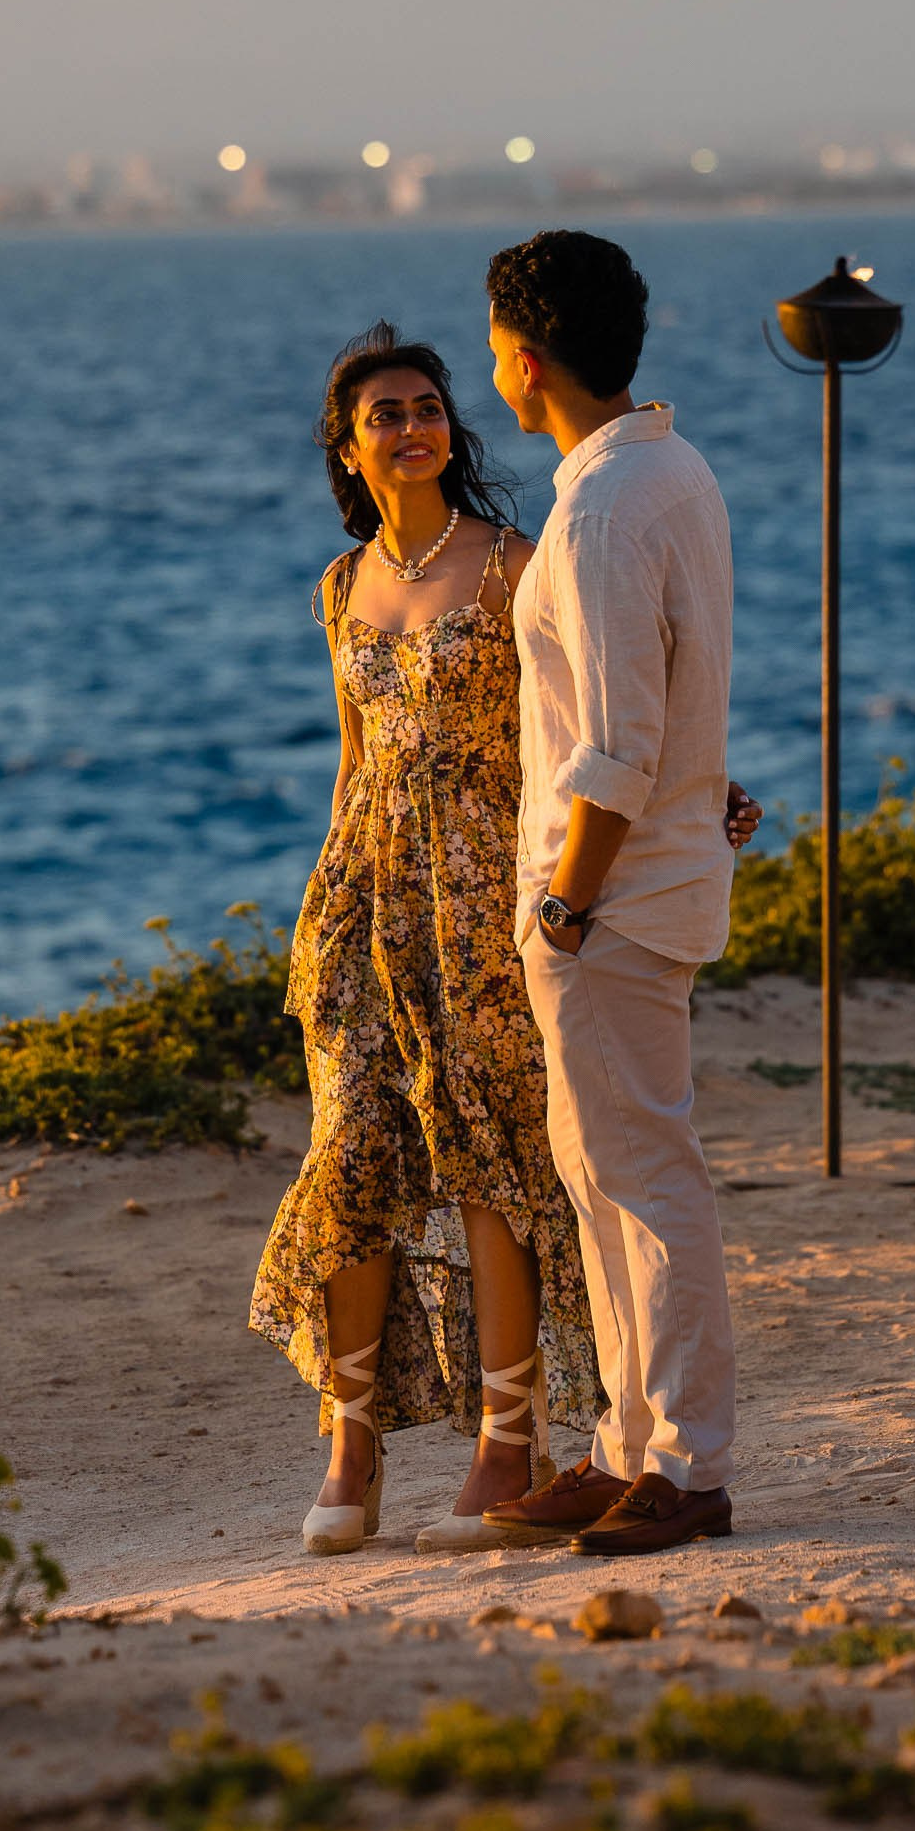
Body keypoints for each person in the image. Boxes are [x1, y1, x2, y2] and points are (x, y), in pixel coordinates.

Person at [248, 323, 601, 1556]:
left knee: (488, 1164)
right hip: (360, 904)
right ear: (349, 452)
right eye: (384, 414)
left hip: (477, 904)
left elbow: (574, 730)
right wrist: (319, 899)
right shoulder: (341, 587)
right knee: (351, 1156)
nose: (412, 425)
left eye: (427, 405)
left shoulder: (514, 564)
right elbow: (352, 758)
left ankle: (511, 1438)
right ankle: (351, 1440)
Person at [480, 231, 753, 1559]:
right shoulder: (672, 469)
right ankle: (631, 1445)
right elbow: (677, 679)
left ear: (524, 358)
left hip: (618, 896)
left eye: (491, 350)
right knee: (608, 1175)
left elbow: (615, 745)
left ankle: (688, 1463)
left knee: (643, 1177)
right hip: (664, 866)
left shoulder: (596, 508)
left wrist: (565, 906)